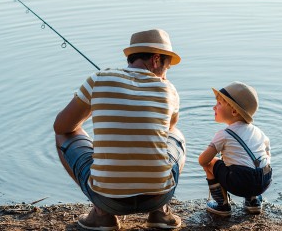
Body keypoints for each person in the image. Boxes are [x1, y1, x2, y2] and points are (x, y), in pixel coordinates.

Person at [53, 29, 186, 230]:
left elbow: (61, 126)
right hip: (158, 196)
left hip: (109, 199)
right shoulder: (169, 90)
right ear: (156, 60)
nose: (166, 74)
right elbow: (169, 129)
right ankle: (160, 213)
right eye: (167, 67)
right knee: (177, 136)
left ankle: (102, 214)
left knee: (63, 135)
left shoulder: (98, 79)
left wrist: (96, 106)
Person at [198, 81, 272, 216]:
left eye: (219, 104)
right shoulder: (258, 132)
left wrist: (216, 160)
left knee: (211, 163)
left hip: (241, 182)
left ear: (233, 111)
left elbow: (203, 160)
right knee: (253, 163)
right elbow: (267, 153)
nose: (214, 107)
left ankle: (222, 205)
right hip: (265, 180)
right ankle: (253, 201)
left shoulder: (223, 135)